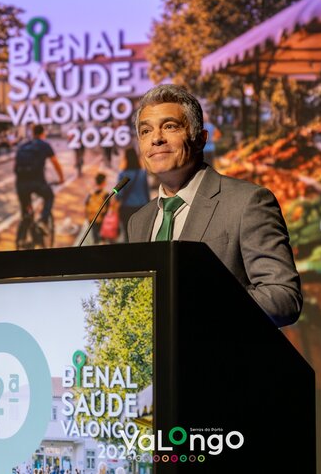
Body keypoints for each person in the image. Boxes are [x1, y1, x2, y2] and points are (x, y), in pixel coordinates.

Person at [127, 84, 302, 327]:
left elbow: (283, 297)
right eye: (146, 131)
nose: (156, 139)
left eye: (170, 126)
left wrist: (200, 313)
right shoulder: (139, 221)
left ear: (200, 139)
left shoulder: (247, 202)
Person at [15, 124, 65, 247]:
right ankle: (43, 220)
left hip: (21, 183)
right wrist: (61, 178)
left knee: (26, 212)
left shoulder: (23, 146)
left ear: (33, 133)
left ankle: (22, 238)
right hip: (37, 182)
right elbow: (55, 163)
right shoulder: (44, 145)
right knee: (49, 196)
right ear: (43, 133)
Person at [116, 147, 151, 242]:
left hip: (127, 208)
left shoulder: (123, 175)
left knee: (128, 235)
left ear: (126, 158)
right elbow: (146, 192)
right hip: (142, 208)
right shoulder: (142, 173)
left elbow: (119, 194)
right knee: (142, 234)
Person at [85, 173, 110, 244]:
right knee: (102, 234)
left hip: (91, 217)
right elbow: (107, 206)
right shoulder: (105, 194)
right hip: (100, 217)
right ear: (103, 182)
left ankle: (96, 242)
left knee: (95, 233)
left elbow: (87, 203)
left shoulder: (91, 192)